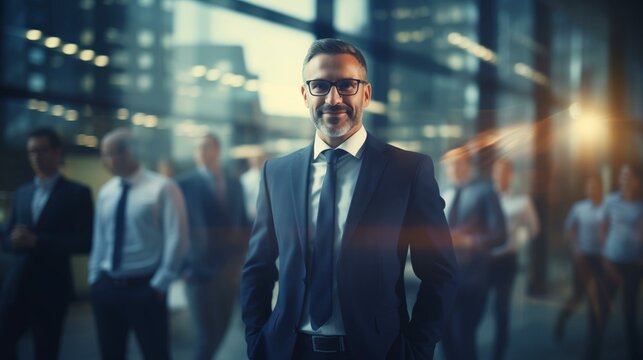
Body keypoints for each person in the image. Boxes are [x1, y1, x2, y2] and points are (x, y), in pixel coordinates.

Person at [240, 38, 458, 360]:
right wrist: (257, 341)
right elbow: (258, 269)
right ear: (305, 95)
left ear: (366, 94)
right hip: (287, 351)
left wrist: (416, 351)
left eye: (346, 85)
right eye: (320, 85)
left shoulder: (408, 171)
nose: (333, 98)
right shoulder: (277, 172)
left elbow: (440, 272)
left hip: (376, 352)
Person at [88, 128, 189, 360]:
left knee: (156, 354)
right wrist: (95, 279)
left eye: (108, 154)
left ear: (128, 153)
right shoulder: (107, 191)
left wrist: (160, 284)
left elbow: (178, 238)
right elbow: (100, 239)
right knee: (110, 354)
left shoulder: (163, 187)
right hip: (107, 289)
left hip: (145, 290)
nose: (104, 161)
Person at [0, 127, 94, 360]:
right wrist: (13, 240)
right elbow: (6, 236)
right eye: (31, 152)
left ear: (57, 152)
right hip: (17, 285)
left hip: (51, 287)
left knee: (46, 350)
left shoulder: (77, 193)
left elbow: (86, 241)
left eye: (41, 151)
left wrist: (38, 241)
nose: (35, 158)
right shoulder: (22, 192)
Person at [176, 133, 249, 360]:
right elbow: (174, 229)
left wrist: (242, 259)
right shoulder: (183, 184)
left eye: (206, 147)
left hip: (229, 271)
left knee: (221, 330)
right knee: (206, 336)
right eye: (197, 148)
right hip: (198, 272)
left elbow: (242, 221)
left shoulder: (234, 182)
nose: (201, 152)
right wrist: (183, 267)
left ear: (217, 150)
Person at [440, 147, 506, 360]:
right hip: (443, 280)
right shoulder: (444, 193)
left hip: (472, 279)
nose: (454, 168)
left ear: (469, 164)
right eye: (450, 164)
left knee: (464, 339)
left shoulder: (485, 192)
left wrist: (469, 241)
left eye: (458, 163)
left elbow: (500, 234)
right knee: (445, 339)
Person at [489, 158, 539, 360]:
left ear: (511, 175)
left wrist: (517, 242)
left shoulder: (522, 201)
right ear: (493, 174)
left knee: (501, 310)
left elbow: (533, 229)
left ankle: (497, 355)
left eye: (504, 172)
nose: (500, 175)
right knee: (472, 308)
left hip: (506, 261)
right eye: (497, 171)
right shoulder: (484, 197)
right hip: (482, 262)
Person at [553, 173, 608, 359]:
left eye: (595, 186)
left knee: (597, 302)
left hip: (601, 260)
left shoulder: (606, 208)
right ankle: (562, 319)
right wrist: (575, 249)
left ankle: (593, 349)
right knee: (578, 295)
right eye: (589, 186)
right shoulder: (579, 208)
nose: (592, 190)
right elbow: (569, 230)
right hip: (582, 258)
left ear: (601, 188)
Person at [601, 163, 643, 360]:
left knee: (629, 312)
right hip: (612, 262)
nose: (624, 180)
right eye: (622, 175)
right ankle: (593, 350)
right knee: (602, 310)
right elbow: (603, 228)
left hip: (633, 266)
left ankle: (634, 353)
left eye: (629, 176)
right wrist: (605, 257)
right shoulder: (610, 201)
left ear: (637, 182)